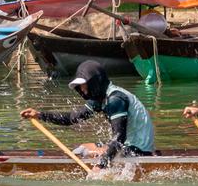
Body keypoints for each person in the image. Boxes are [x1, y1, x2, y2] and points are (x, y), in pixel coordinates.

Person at [21, 59, 154, 163]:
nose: (83, 91)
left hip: (139, 151)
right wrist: (40, 115)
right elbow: (72, 118)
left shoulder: (115, 100)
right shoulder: (101, 98)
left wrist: (101, 166)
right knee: (84, 146)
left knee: (87, 151)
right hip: (129, 146)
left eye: (85, 87)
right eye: (81, 88)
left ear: (95, 82)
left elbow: (119, 139)